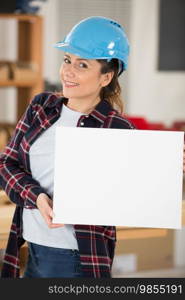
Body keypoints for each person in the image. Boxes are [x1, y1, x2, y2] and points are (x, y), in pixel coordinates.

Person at [0, 16, 184, 278]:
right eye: (67, 60)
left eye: (82, 65)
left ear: (106, 77)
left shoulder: (116, 128)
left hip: (76, 257)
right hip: (29, 244)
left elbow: (136, 193)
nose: (68, 71)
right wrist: (37, 197)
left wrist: (167, 168)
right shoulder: (41, 107)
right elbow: (6, 163)